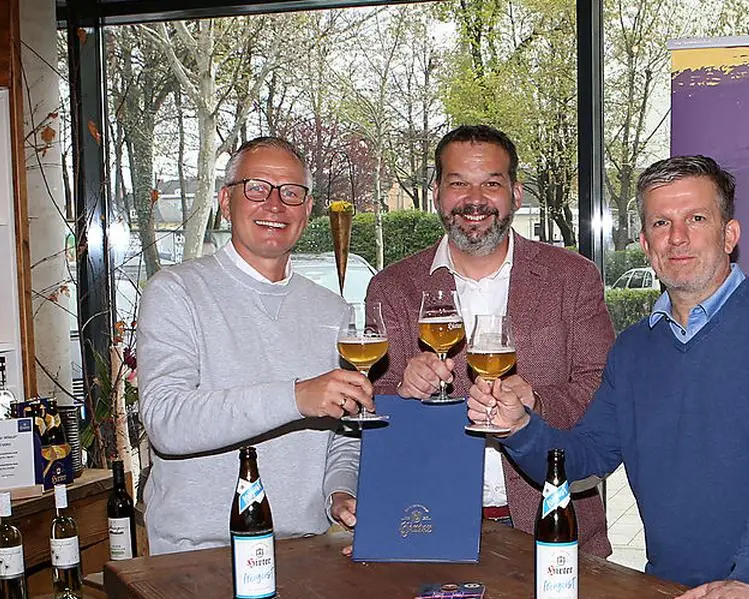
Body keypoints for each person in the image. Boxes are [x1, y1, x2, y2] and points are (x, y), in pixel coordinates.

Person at [469, 155, 749, 599]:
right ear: (645, 243)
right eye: (661, 222)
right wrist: (520, 427)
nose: (677, 237)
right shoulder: (634, 347)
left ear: (729, 235)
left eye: (696, 219)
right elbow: (585, 457)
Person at [366, 125, 613, 556]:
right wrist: (403, 395)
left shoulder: (573, 278)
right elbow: (368, 408)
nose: (474, 200)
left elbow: (603, 387)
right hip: (431, 528)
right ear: (438, 193)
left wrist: (536, 400)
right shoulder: (392, 288)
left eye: (491, 184)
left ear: (516, 194)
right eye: (458, 183)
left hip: (555, 529)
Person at [136, 136, 374, 557]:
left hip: (306, 551)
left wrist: (338, 491)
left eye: (291, 192)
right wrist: (296, 397)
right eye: (257, 188)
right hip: (197, 556)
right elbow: (165, 423)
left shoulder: (332, 311)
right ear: (225, 202)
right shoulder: (175, 291)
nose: (275, 205)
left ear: (308, 208)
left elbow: (345, 434)